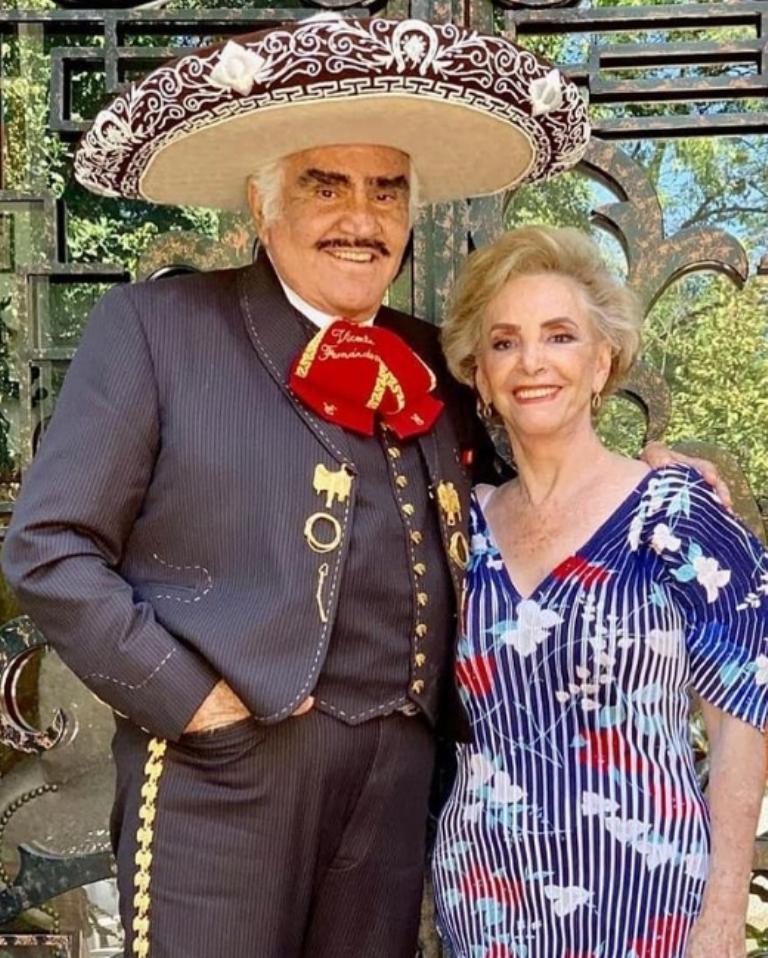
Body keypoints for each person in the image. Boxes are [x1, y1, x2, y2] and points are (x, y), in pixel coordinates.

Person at [0, 16, 594, 958]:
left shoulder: (431, 355)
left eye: (386, 191)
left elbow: (538, 495)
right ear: (262, 204)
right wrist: (194, 704)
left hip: (396, 782)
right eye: (327, 186)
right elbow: (49, 548)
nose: (362, 218)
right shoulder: (156, 328)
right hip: (223, 773)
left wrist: (648, 479)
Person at [432, 224, 768, 958]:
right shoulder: (458, 529)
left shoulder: (676, 513)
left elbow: (743, 723)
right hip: (485, 905)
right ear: (480, 376)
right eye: (505, 342)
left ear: (602, 361)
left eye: (560, 336)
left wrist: (723, 917)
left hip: (650, 904)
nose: (532, 362)